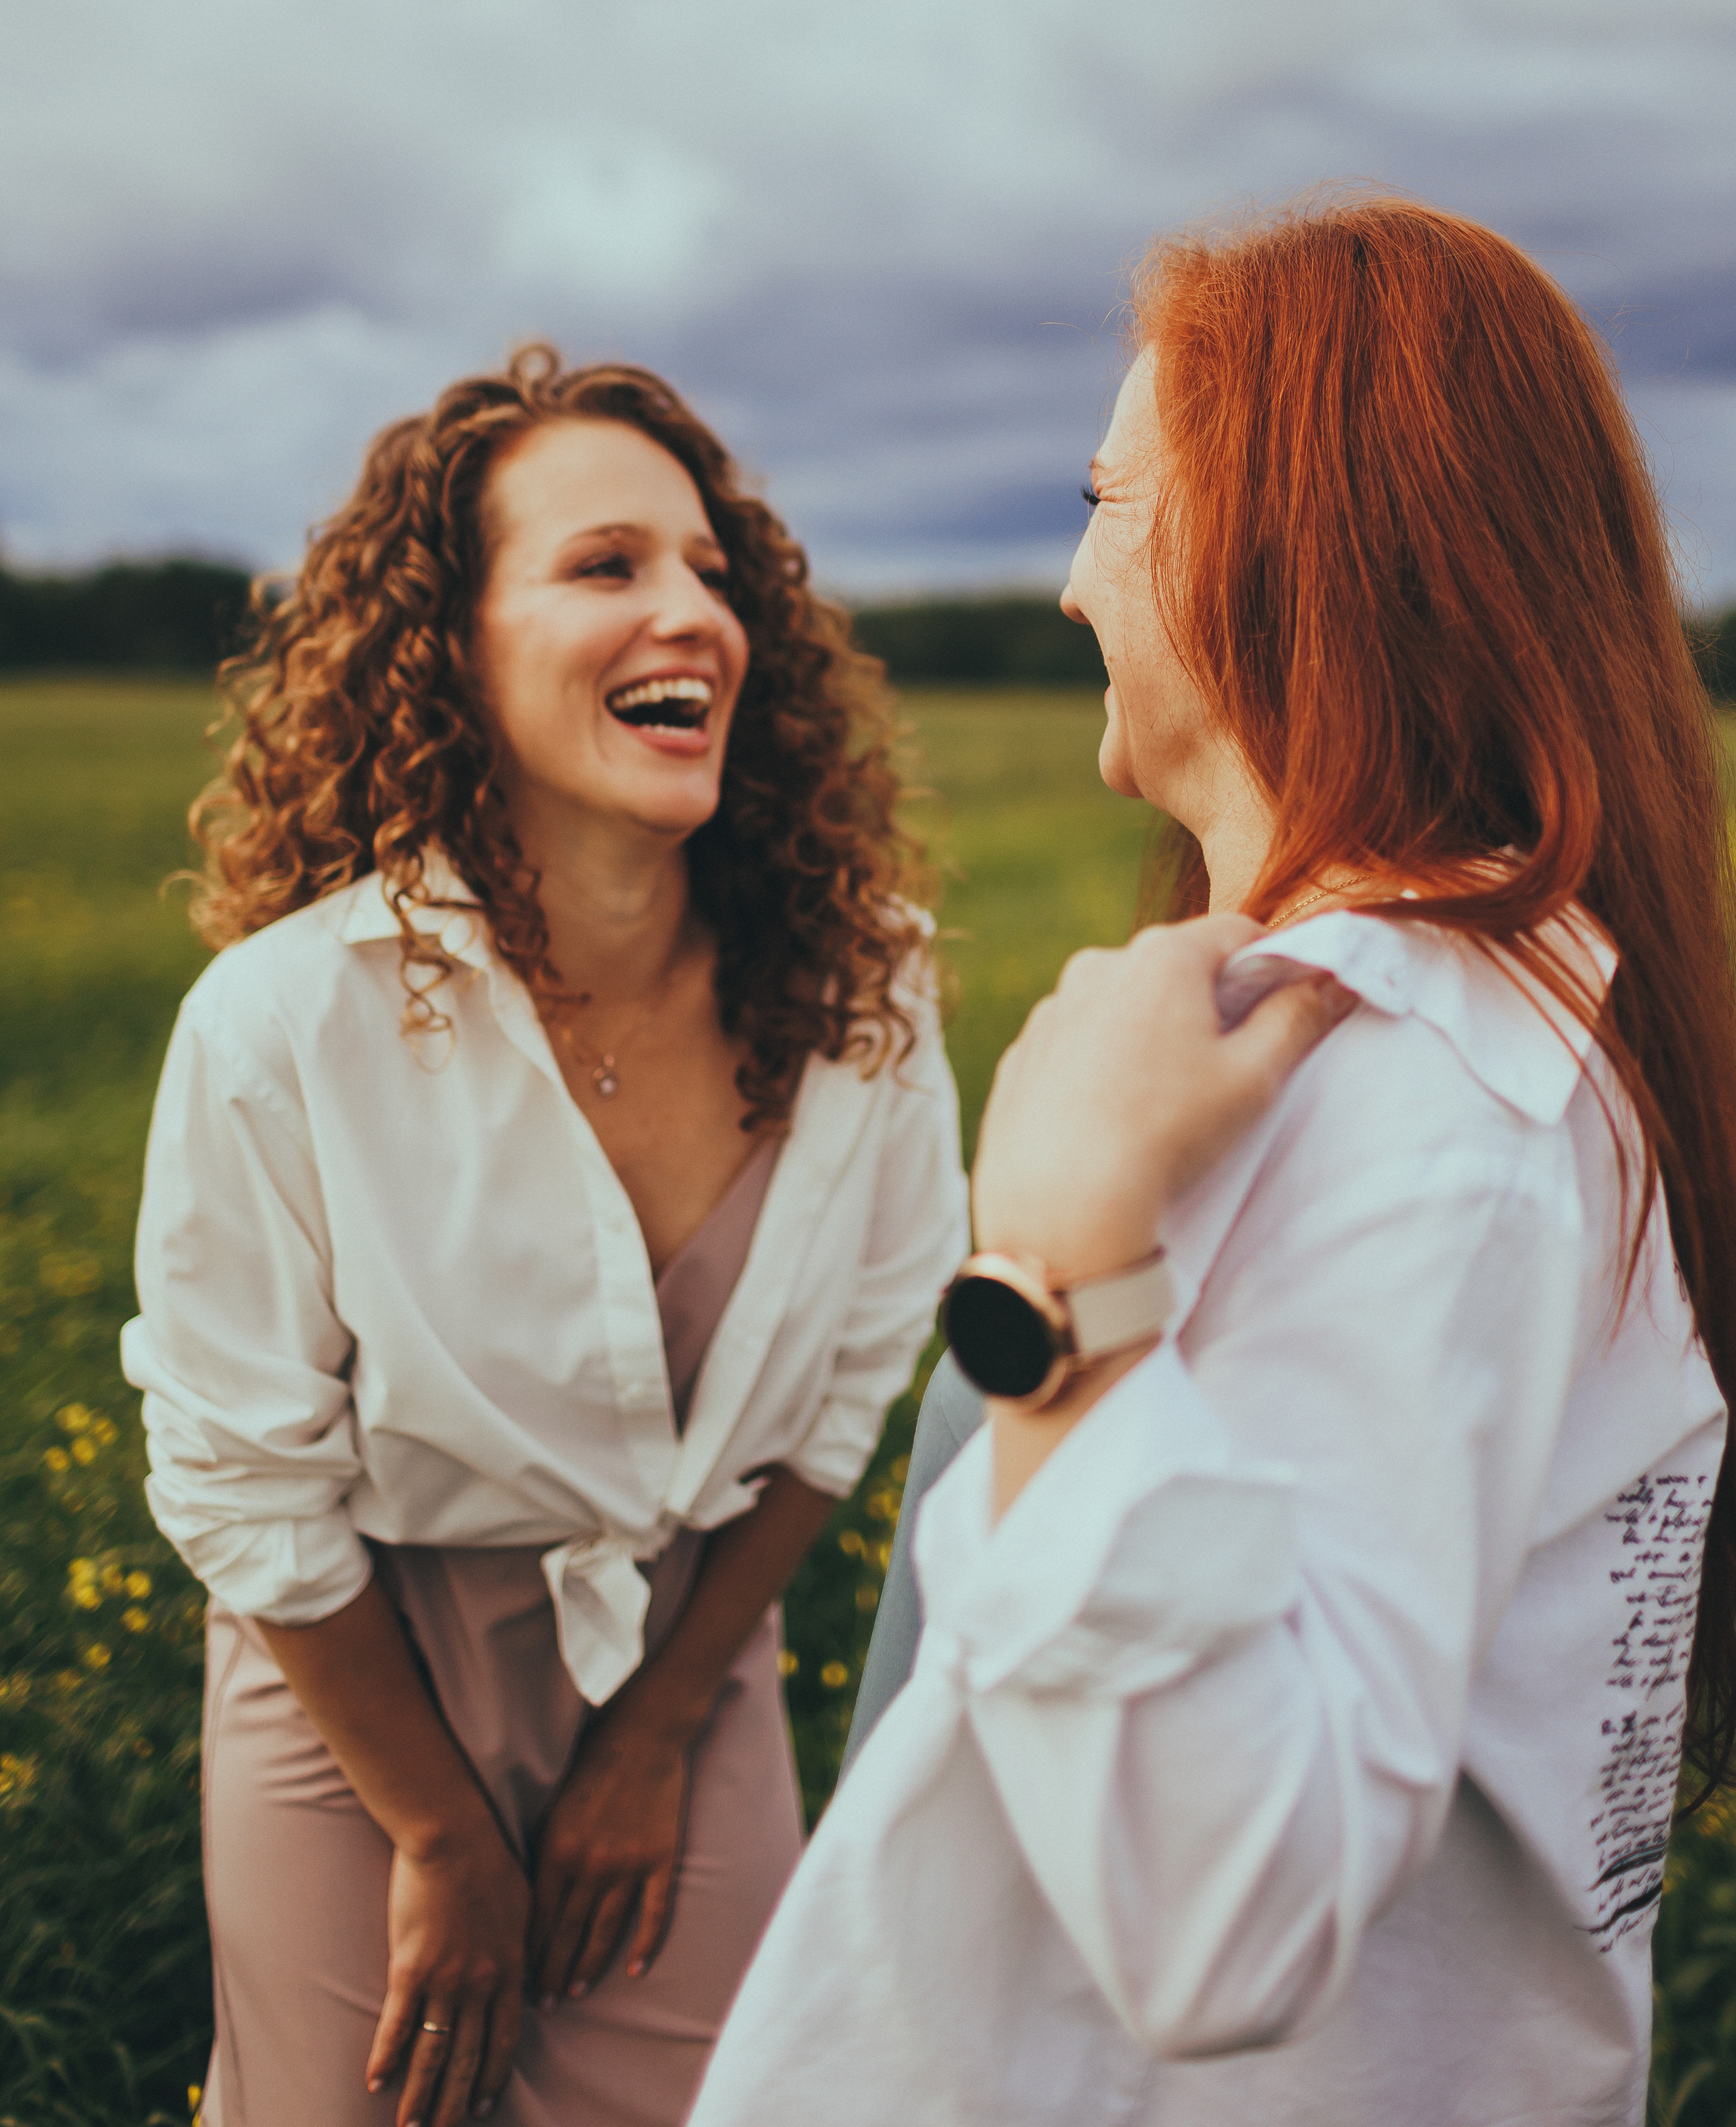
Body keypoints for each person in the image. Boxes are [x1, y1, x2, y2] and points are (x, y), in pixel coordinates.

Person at [691, 197, 1736, 2127]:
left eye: (1107, 496)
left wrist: (1062, 1266)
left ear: (1275, 545)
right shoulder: (1492, 1037)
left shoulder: (1406, 1086)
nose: (1080, 581)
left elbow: (1222, 1927)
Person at [121, 350, 969, 2127]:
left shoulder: (866, 986)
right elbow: (243, 1483)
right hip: (357, 1668)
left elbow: (847, 1392)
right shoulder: (285, 1024)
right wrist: (437, 1830)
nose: (694, 615)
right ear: (453, 642)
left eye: (714, 576)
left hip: (687, 1666)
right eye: (609, 567)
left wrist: (658, 1733)